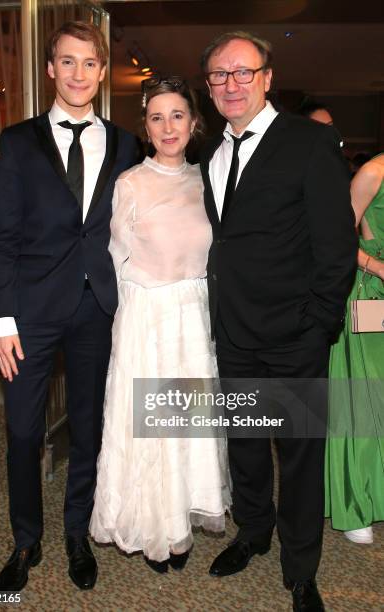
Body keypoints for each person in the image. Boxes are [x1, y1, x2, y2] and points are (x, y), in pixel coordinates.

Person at [199, 31, 357, 611]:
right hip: (233, 332)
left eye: (243, 72)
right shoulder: (207, 155)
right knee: (243, 444)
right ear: (209, 87)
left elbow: (335, 246)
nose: (232, 84)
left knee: (298, 454)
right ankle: (252, 533)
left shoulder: (311, 142)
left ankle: (301, 568)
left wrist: (318, 325)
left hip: (296, 334)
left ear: (268, 77)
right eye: (219, 75)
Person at [0, 21, 137, 592]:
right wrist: (2, 321)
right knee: (23, 433)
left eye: (90, 63)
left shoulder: (126, 144)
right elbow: (4, 236)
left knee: (88, 429)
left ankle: (79, 531)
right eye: (67, 62)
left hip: (96, 308)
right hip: (27, 314)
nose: (79, 73)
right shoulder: (18, 140)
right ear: (51, 69)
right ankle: (26, 540)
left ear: (102, 72)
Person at [89, 77, 230, 573]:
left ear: (194, 123)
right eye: (156, 117)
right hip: (145, 319)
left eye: (177, 116)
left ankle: (179, 523)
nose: (167, 127)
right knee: (146, 430)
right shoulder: (129, 183)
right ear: (145, 128)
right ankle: (152, 526)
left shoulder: (208, 180)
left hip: (192, 320)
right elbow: (114, 257)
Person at [325, 154, 384, 544]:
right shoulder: (374, 172)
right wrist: (377, 267)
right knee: (364, 401)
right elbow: (335, 237)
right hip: (371, 297)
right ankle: (356, 501)